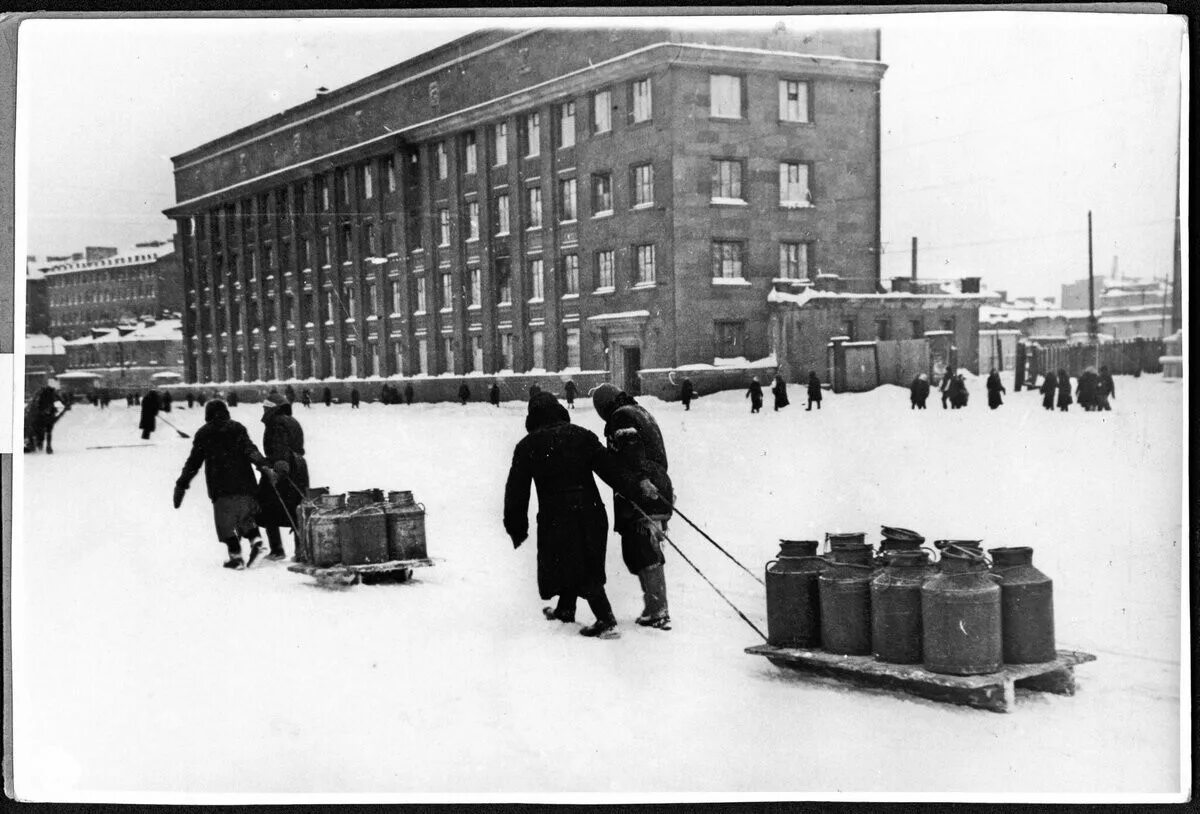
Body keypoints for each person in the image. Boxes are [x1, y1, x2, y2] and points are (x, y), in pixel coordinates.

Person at [505, 393, 646, 639]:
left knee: (576, 565)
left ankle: (605, 619)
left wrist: (516, 525)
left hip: (558, 518)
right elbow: (611, 470)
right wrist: (636, 489)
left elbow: (516, 491)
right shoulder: (582, 435)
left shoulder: (528, 445)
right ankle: (565, 609)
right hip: (591, 512)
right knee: (579, 561)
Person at [591, 383, 674, 630]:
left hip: (642, 490)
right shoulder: (640, 412)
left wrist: (641, 480)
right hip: (657, 486)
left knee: (642, 547)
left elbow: (632, 447)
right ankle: (654, 606)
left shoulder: (621, 416)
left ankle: (657, 608)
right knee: (645, 546)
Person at [173, 400, 277, 570]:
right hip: (244, 483)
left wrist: (181, 484)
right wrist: (263, 465)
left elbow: (193, 463)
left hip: (221, 486)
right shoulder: (237, 428)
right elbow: (250, 449)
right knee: (245, 517)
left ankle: (236, 557)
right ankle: (257, 542)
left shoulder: (204, 433)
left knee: (225, 524)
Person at [256, 392, 309, 561]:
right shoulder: (292, 421)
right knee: (297, 508)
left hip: (282, 467)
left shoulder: (275, 422)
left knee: (267, 506)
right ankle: (301, 550)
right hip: (299, 467)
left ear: (271, 408)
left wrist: (279, 466)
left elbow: (280, 445)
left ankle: (277, 550)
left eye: (265, 407)